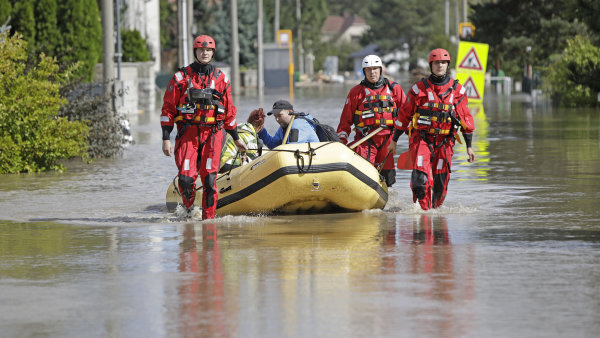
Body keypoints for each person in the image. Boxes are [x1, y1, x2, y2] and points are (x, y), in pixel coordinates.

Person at [160, 34, 247, 219]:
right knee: (184, 179)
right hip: (188, 133)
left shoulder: (221, 78)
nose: (205, 53)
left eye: (208, 50)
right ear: (195, 51)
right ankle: (190, 211)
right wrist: (165, 138)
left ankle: (209, 222)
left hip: (212, 134)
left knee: (209, 179)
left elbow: (229, 112)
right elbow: (167, 109)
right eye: (201, 49)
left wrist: (237, 138)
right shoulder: (180, 77)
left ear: (212, 52)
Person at [388, 48, 476, 210]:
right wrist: (394, 140)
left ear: (447, 65)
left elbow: (466, 119)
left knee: (440, 183)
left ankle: (435, 214)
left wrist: (469, 147)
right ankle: (422, 215)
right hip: (422, 139)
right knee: (420, 180)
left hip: (445, 141)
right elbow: (404, 116)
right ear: (431, 65)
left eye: (443, 62)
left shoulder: (458, 91)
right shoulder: (418, 89)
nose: (440, 65)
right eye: (437, 63)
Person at [336, 54, 407, 187]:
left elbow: (406, 114)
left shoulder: (394, 89)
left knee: (388, 179)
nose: (372, 72)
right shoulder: (356, 92)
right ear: (364, 71)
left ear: (380, 70)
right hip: (365, 139)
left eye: (375, 69)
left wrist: (414, 137)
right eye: (368, 69)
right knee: (364, 176)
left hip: (388, 140)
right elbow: (345, 121)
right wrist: (341, 143)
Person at [254, 99, 320, 149]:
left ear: (290, 112)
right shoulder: (284, 126)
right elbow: (273, 145)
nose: (277, 119)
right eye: (275, 116)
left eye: (279, 115)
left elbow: (291, 150)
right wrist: (260, 129)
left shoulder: (298, 125)